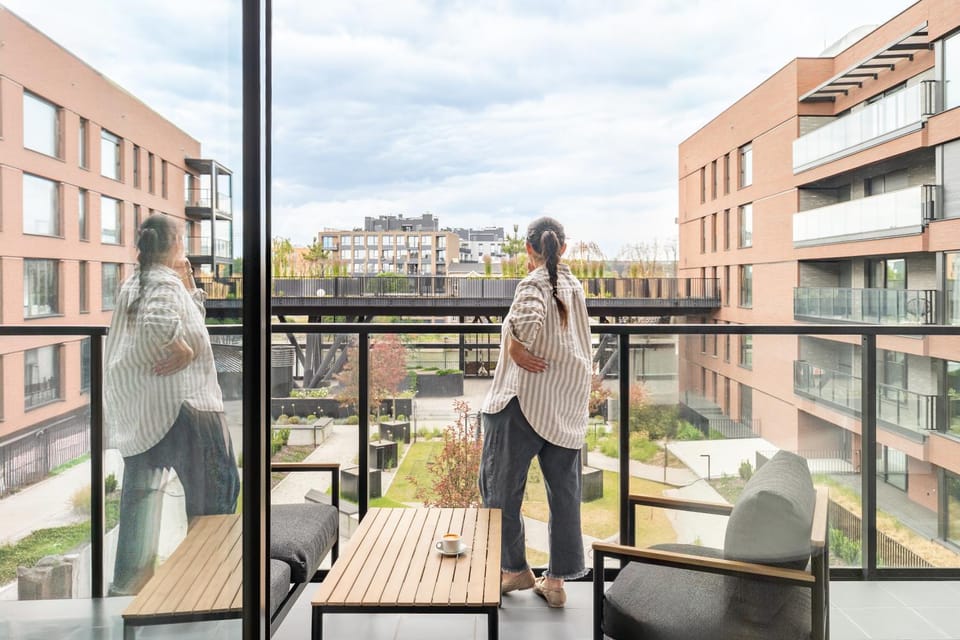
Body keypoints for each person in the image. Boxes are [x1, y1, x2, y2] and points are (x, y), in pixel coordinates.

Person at [104, 214, 240, 595]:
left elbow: (172, 314)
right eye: (182, 238)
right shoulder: (161, 285)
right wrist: (179, 346)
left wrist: (189, 285)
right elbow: (158, 321)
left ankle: (129, 594)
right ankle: (210, 584)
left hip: (146, 414)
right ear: (175, 242)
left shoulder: (138, 282)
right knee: (218, 495)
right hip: (185, 408)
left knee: (139, 509)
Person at [479, 216, 592, 608]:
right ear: (563, 248)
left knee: (499, 489)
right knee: (564, 494)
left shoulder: (534, 282)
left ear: (529, 249)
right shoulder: (574, 285)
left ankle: (514, 570)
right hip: (566, 403)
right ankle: (556, 582)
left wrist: (514, 345)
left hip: (523, 402)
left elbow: (526, 322)